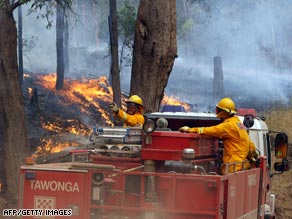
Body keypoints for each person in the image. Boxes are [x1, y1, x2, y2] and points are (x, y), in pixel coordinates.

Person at [179, 97, 257, 174]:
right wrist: (254, 157)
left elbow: (210, 131)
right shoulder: (239, 124)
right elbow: (250, 145)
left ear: (224, 112)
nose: (217, 112)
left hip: (232, 168)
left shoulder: (228, 126)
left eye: (218, 110)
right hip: (241, 166)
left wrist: (189, 129)